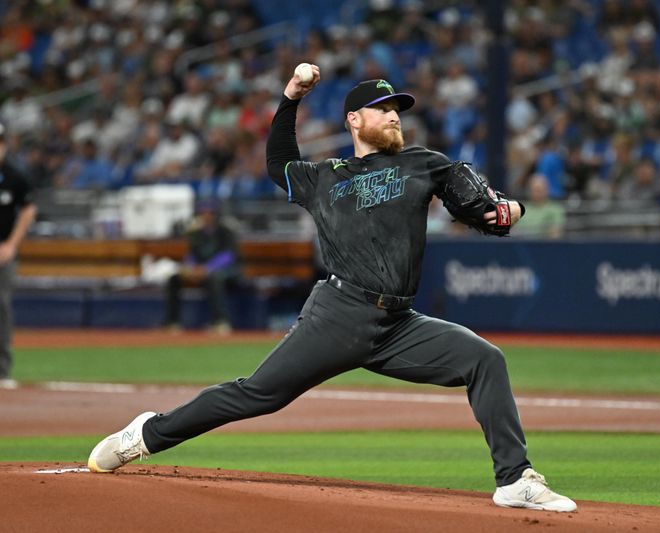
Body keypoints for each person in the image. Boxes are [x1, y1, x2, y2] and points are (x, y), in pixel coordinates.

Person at [88, 68, 577, 513]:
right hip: (338, 315)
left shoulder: (424, 164)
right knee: (257, 395)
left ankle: (514, 479)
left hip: (399, 324)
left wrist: (506, 209)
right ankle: (146, 433)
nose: (393, 116)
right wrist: (290, 98)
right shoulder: (325, 177)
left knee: (483, 359)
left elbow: (476, 203)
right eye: (383, 109)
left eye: (398, 110)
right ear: (354, 121)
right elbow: (278, 162)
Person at [162, 200, 241, 335]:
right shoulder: (196, 233)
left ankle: (220, 322)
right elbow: (191, 255)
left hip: (225, 272)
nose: (206, 216)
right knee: (174, 279)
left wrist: (207, 268)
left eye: (209, 213)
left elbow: (228, 256)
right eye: (203, 213)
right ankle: (172, 322)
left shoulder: (225, 232)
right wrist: (191, 268)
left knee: (214, 279)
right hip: (200, 272)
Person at [0, 123, 37, 381]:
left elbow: (29, 208)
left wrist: (11, 244)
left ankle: (1, 371)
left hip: (3, 252)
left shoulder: (14, 177)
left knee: (1, 307)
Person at [513, 174, 565, 238]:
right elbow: (514, 231)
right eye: (533, 190)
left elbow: (556, 233)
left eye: (539, 190)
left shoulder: (556, 209)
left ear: (547, 190)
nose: (536, 193)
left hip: (545, 245)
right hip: (521, 245)